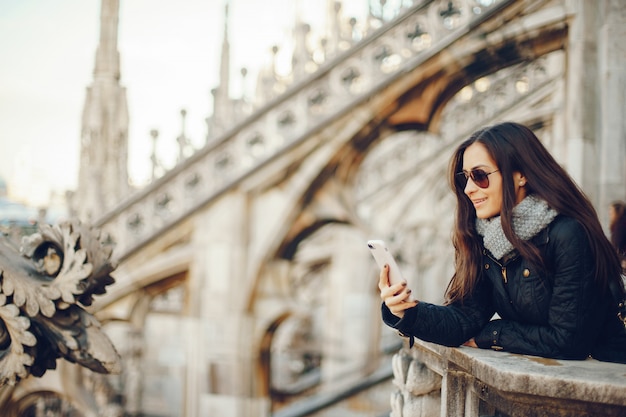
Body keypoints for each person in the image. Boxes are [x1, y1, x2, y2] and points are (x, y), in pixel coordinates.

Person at [378, 121, 626, 363]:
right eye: (465, 178)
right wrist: (404, 310)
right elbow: (464, 320)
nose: (468, 189)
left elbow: (568, 341)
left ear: (522, 176)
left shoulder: (568, 233)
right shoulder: (488, 238)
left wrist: (494, 333)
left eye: (480, 176)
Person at [609, 200, 626, 271]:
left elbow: (617, 245)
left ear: (617, 213)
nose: (610, 215)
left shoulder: (620, 226)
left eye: (611, 213)